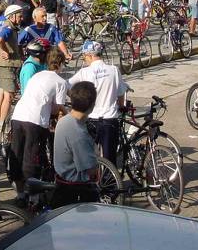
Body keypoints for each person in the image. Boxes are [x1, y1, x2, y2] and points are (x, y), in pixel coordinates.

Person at [9, 48, 68, 194]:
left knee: (17, 153)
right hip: (34, 120)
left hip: (18, 115)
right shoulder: (60, 81)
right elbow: (59, 108)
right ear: (60, 63)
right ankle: (31, 194)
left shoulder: (37, 75)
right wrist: (68, 116)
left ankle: (19, 191)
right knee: (31, 156)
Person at [68, 40, 125, 163]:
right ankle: (110, 180)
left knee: (89, 156)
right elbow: (121, 94)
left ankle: (92, 179)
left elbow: (67, 85)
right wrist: (121, 106)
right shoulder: (114, 70)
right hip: (110, 119)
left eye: (84, 56)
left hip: (91, 119)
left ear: (90, 55)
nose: (84, 59)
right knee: (110, 158)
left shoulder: (84, 72)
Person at [51, 81, 99, 209]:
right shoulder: (79, 134)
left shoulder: (64, 121)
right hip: (75, 189)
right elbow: (91, 169)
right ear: (92, 105)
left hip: (61, 180)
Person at [0, 5, 24, 132]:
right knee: (9, 96)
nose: (22, 18)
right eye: (19, 15)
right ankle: (2, 124)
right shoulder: (8, 28)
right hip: (7, 66)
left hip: (3, 65)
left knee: (1, 92)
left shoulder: (11, 27)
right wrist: (6, 51)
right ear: (12, 16)